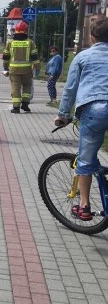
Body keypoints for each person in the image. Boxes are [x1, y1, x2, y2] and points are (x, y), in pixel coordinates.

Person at [53, 14, 108, 221]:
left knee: (85, 160)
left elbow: (70, 89)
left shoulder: (83, 57)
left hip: (95, 111)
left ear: (92, 37)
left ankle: (84, 206)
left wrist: (63, 115)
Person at [2, 21, 39, 113]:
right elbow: (35, 57)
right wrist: (37, 68)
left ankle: (16, 107)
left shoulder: (10, 43)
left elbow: (6, 57)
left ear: (15, 31)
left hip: (14, 70)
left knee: (16, 88)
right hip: (27, 70)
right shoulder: (30, 43)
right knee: (27, 86)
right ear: (26, 31)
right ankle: (25, 104)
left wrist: (5, 68)